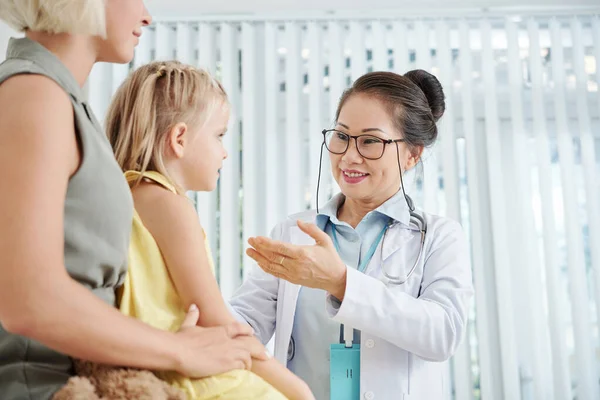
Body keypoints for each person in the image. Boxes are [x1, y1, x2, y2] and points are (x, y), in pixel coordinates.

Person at [0, 2, 267, 399]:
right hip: (46, 384)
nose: (146, 15)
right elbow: (28, 300)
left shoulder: (63, 101)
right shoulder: (34, 93)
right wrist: (179, 351)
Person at [230, 70, 474, 399]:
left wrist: (341, 283)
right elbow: (247, 320)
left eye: (370, 140)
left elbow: (443, 334)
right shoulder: (295, 231)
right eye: (342, 136)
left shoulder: (438, 237)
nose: (349, 155)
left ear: (412, 154)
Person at [106, 59, 314, 400]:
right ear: (179, 138)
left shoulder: (125, 194)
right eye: (219, 135)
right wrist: (297, 388)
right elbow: (215, 318)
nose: (224, 153)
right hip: (186, 373)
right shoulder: (170, 205)